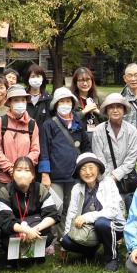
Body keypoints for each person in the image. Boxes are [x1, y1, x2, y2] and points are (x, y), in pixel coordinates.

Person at [38, 87, 91, 239]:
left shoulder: (78, 123)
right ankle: (51, 236)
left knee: (71, 207)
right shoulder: (49, 124)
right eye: (62, 101)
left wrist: (86, 167)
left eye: (68, 101)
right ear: (56, 104)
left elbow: (86, 147)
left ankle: (65, 237)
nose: (65, 104)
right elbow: (44, 150)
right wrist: (45, 174)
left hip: (74, 175)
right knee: (55, 207)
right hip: (55, 176)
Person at [61, 153, 125, 271]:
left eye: (91, 167)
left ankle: (112, 257)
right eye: (83, 169)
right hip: (89, 229)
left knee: (101, 223)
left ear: (98, 169)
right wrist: (66, 237)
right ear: (79, 173)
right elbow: (72, 213)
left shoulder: (108, 183)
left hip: (112, 226)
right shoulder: (77, 188)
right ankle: (90, 251)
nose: (88, 172)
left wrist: (87, 217)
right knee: (66, 241)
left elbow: (113, 210)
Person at [0, 157, 60, 268]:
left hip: (36, 230)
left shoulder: (40, 188)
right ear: (13, 173)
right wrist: (25, 230)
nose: (22, 174)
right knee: (5, 235)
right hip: (15, 231)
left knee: (48, 234)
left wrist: (34, 230)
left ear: (33, 175)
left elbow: (52, 214)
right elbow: (5, 220)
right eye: (19, 170)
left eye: (27, 170)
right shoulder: (5, 191)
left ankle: (34, 254)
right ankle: (18, 256)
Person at [0, 85, 40, 199]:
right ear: (9, 103)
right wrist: (10, 169)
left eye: (23, 100)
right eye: (16, 100)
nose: (20, 103)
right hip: (4, 179)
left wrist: (22, 169)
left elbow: (35, 150)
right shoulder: (0, 122)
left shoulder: (32, 124)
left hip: (26, 179)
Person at [92, 93, 137, 208]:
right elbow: (99, 157)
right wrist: (108, 179)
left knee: (129, 211)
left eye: (119, 107)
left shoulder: (131, 130)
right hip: (104, 179)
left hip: (126, 179)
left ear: (124, 109)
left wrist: (115, 176)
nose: (115, 110)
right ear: (106, 110)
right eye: (111, 107)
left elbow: (131, 159)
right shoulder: (99, 130)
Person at [70, 66, 102, 139]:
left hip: (97, 137)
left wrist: (97, 111)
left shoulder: (97, 98)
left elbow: (107, 119)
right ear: (75, 82)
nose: (85, 83)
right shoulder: (71, 100)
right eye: (81, 80)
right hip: (79, 138)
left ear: (92, 81)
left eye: (88, 80)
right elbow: (69, 120)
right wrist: (84, 111)